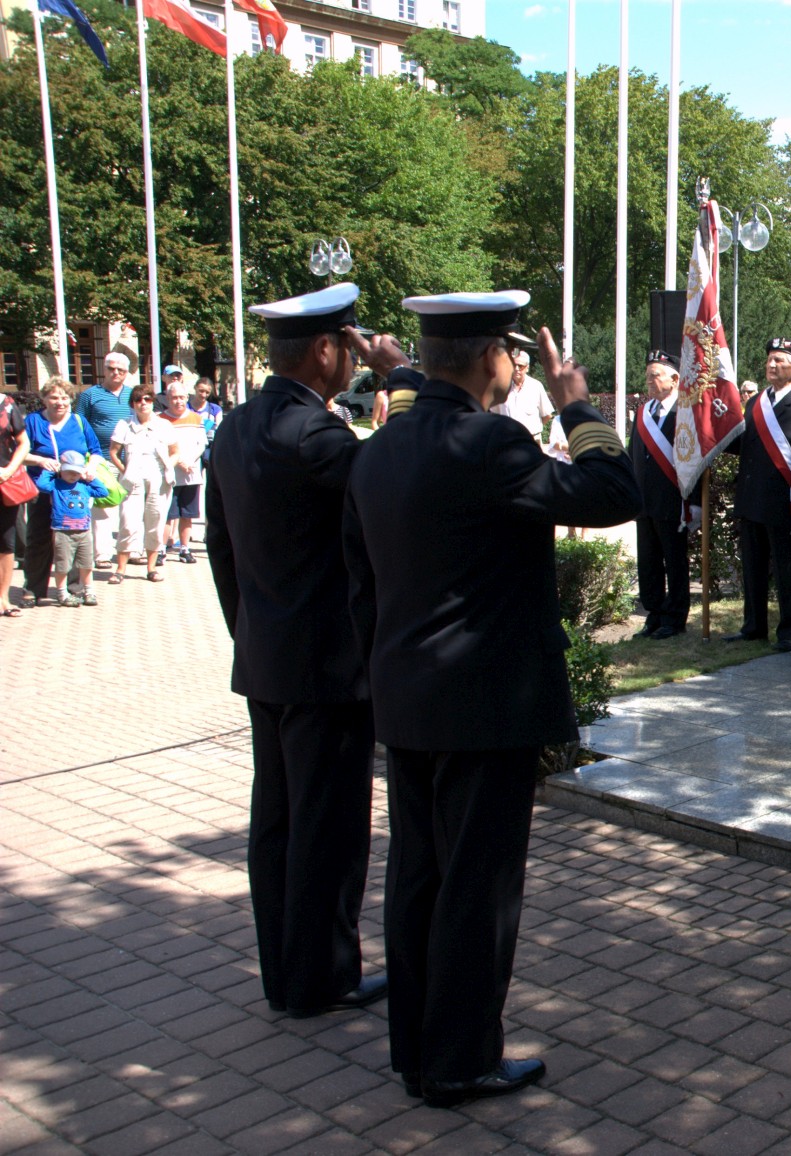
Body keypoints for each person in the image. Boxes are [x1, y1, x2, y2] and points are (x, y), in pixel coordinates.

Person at [343, 290, 640, 1108]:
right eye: (512, 352)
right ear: (490, 359)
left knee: (419, 877)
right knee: (478, 888)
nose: (516, 365)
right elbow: (614, 492)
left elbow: (360, 588)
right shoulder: (488, 442)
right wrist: (578, 402)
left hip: (407, 699)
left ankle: (418, 1047)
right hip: (485, 706)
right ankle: (461, 1059)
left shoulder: (377, 449)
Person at [206, 281, 405, 1021]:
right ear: (325, 351)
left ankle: (285, 973)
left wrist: (252, 631)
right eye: (346, 350)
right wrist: (401, 378)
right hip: (327, 667)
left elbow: (220, 547)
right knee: (328, 827)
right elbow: (396, 481)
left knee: (279, 822)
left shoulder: (234, 428)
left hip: (266, 659)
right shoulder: (316, 436)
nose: (350, 363)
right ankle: (323, 976)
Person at [724, 338, 791, 652]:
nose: (771, 364)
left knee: (787, 571)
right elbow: (746, 447)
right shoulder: (755, 403)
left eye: (780, 360)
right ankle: (753, 626)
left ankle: (788, 631)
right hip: (751, 498)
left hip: (785, 503)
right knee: (752, 567)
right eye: (769, 358)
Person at [628, 351, 697, 640]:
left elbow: (695, 459)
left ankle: (675, 617)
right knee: (648, 561)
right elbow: (634, 454)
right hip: (644, 501)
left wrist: (693, 503)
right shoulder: (643, 412)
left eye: (655, 375)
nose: (650, 381)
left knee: (674, 560)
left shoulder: (686, 411)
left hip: (672, 500)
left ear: (674, 378)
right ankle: (654, 613)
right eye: (647, 376)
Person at [20, 379, 102, 606]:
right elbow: (19, 453)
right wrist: (40, 460)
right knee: (39, 539)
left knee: (74, 538)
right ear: (44, 399)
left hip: (74, 491)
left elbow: (95, 452)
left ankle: (73, 588)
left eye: (64, 398)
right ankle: (33, 589)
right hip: (43, 489)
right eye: (54, 397)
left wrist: (90, 468)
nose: (59, 402)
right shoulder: (33, 421)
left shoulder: (79, 421)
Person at [109, 384, 177, 583]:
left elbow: (175, 451)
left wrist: (168, 468)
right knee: (128, 523)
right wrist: (125, 470)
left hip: (158, 478)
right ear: (133, 404)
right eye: (138, 400)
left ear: (152, 401)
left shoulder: (163, 425)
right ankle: (120, 569)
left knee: (155, 523)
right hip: (133, 478)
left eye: (147, 399)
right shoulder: (124, 424)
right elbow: (114, 452)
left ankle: (151, 568)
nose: (143, 404)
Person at [76, 351, 135, 566]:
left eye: (120, 369)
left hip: (130, 459)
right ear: (104, 369)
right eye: (111, 368)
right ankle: (102, 554)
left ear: (127, 372)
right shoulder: (90, 395)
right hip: (101, 458)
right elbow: (80, 425)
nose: (116, 372)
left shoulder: (133, 395)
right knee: (103, 506)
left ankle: (131, 549)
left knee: (131, 507)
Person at [36, 450, 108, 606]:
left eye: (76, 472)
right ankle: (62, 593)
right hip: (63, 531)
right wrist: (50, 470)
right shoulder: (55, 485)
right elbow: (41, 484)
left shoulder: (83, 485)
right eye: (69, 472)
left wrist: (91, 478)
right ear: (61, 470)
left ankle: (89, 591)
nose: (73, 476)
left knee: (87, 564)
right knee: (63, 564)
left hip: (84, 531)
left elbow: (103, 492)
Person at [161, 382, 208, 563]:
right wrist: (179, 461)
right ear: (167, 399)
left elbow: (201, 444)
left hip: (191, 474)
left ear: (186, 398)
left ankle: (185, 549)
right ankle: (161, 550)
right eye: (174, 398)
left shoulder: (196, 418)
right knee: (168, 515)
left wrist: (189, 461)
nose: (178, 401)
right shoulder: (161, 419)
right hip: (170, 475)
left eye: (181, 397)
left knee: (187, 515)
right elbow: (161, 446)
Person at [0, 388, 30, 616]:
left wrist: (10, 469)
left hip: (4, 483)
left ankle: (4, 598)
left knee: (6, 543)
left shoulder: (6, 404)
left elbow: (23, 442)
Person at [491, 346, 555, 445]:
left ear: (527, 368)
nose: (517, 369)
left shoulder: (536, 386)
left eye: (520, 366)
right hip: (507, 441)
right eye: (514, 365)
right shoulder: (502, 386)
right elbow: (494, 414)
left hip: (531, 441)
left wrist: (533, 428)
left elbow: (547, 415)